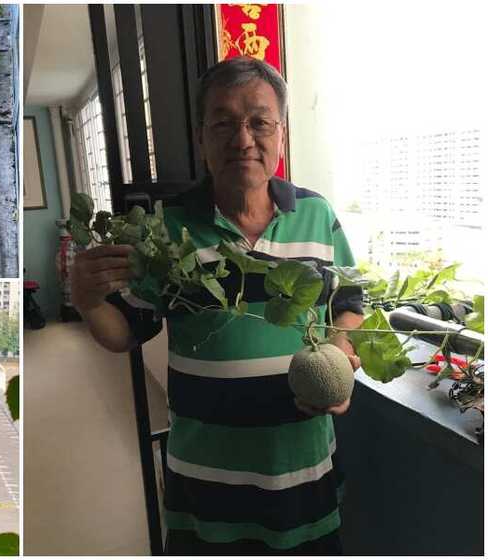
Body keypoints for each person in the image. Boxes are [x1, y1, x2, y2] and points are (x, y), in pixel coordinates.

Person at [70, 56, 364, 554]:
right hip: (205, 474)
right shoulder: (166, 228)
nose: (243, 139)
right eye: (223, 123)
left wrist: (339, 354)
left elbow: (349, 301)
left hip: (301, 466)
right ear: (202, 137)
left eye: (259, 121)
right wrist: (86, 298)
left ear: (281, 133)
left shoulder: (317, 214)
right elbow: (125, 332)